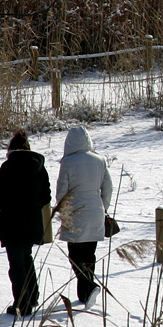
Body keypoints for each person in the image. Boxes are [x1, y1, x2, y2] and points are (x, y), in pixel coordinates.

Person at [0, 129, 51, 317]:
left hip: (11, 222)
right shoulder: (39, 167)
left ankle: (22, 303)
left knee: (16, 263)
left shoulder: (7, 167)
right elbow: (46, 195)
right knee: (26, 257)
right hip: (32, 222)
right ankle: (32, 296)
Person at [56, 126, 113, 310]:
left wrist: (63, 211)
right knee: (89, 255)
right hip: (96, 211)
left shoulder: (67, 163)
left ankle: (89, 288)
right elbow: (108, 188)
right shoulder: (100, 160)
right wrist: (102, 207)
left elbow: (61, 192)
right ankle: (84, 296)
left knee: (74, 255)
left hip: (75, 213)